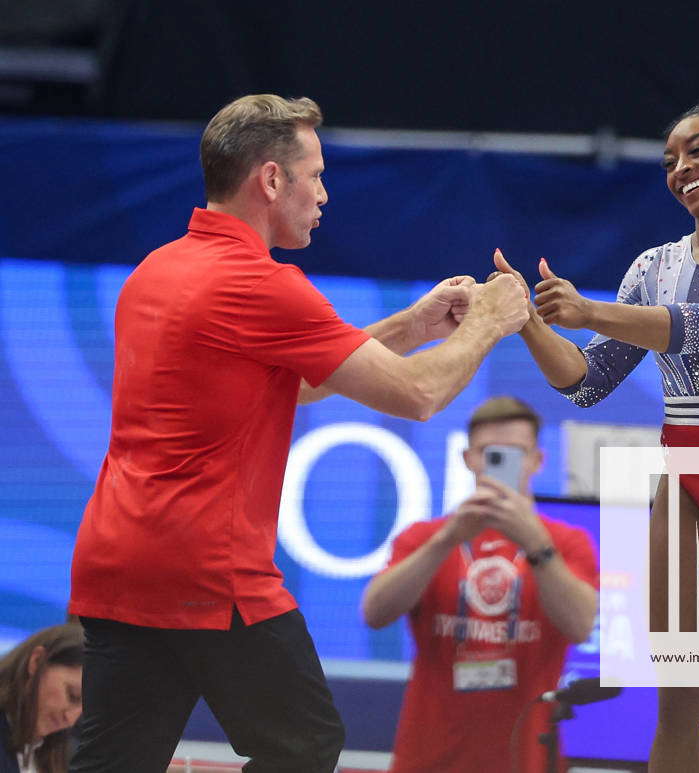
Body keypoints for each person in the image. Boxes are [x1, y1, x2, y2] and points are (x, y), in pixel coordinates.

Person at [67, 94, 529, 773]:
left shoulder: (155, 270)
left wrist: (409, 326)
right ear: (271, 180)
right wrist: (491, 320)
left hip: (116, 559)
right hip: (208, 566)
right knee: (306, 745)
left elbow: (294, 376)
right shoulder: (261, 283)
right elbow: (419, 394)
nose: (324, 193)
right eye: (314, 173)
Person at [493, 82, 699, 773]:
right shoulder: (655, 267)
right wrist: (523, 319)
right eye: (670, 158)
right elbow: (586, 382)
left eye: (697, 149)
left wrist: (587, 311)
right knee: (676, 701)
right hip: (684, 491)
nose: (680, 167)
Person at [362, 396, 598, 773]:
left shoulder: (566, 542)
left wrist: (537, 546)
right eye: (491, 453)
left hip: (527, 758)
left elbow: (580, 625)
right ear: (468, 458)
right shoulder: (425, 536)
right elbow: (375, 613)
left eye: (515, 454)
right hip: (427, 757)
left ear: (537, 461)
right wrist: (445, 540)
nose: (503, 464)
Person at [0, 623, 84, 773]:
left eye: (83, 713)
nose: (70, 719)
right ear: (37, 661)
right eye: (72, 695)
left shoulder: (62, 756)